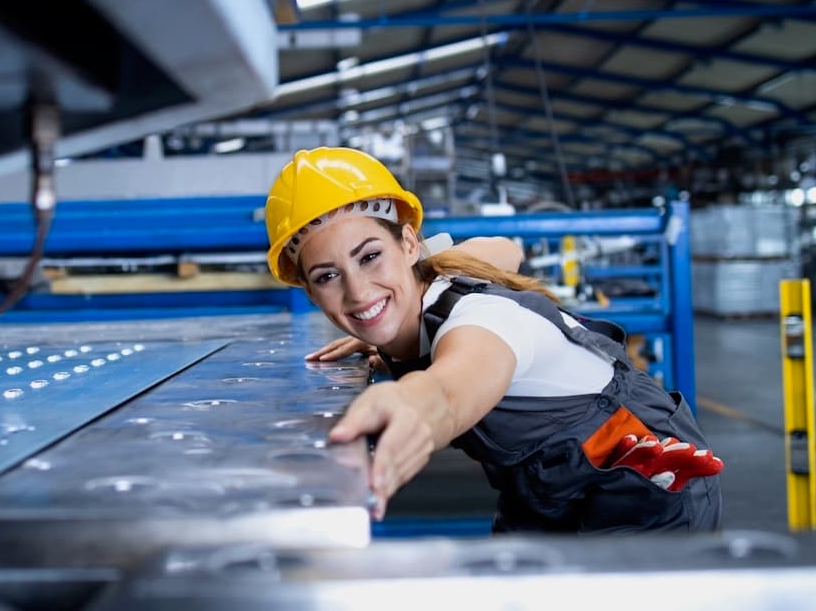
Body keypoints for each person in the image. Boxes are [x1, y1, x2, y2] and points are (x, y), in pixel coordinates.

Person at [265, 147, 722, 533]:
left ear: (408, 244)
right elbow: (506, 247)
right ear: (308, 289)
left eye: (370, 257)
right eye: (328, 276)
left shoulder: (483, 320)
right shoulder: (434, 271)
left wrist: (411, 406)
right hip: (550, 489)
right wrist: (391, 338)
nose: (358, 292)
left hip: (648, 480)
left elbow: (448, 390)